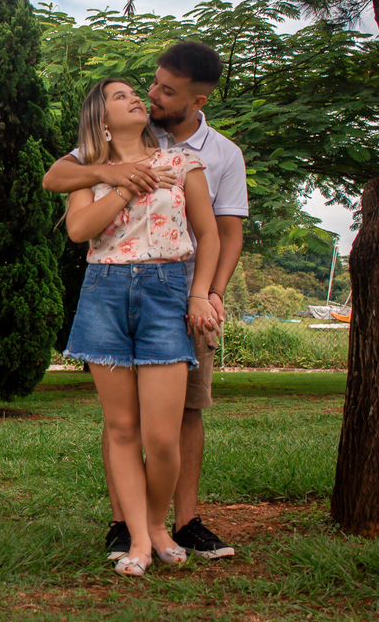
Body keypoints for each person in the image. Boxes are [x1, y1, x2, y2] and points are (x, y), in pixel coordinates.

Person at [44, 41, 248, 561]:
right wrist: (117, 180)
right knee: (121, 426)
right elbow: (73, 218)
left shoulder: (191, 160)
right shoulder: (88, 163)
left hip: (169, 291)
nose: (145, 97)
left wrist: (204, 294)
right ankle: (136, 534)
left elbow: (217, 233)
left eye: (154, 91)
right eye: (128, 94)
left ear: (196, 99)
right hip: (106, 291)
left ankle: (168, 524)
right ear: (102, 120)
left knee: (169, 430)